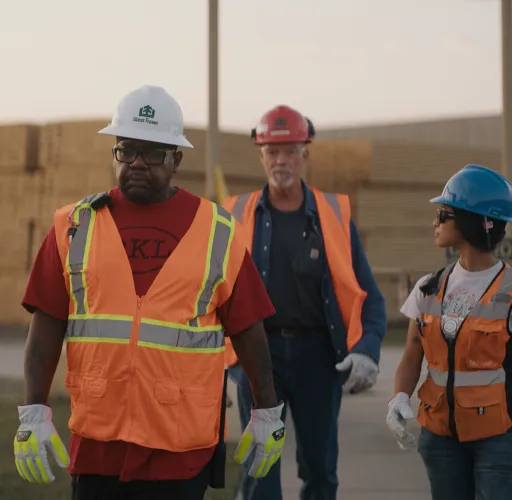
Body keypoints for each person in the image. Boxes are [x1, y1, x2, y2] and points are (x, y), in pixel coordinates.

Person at [13, 85, 286, 500]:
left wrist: (266, 411)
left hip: (179, 449)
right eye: (127, 149)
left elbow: (249, 331)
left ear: (177, 159)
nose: (138, 163)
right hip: (98, 446)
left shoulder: (218, 231)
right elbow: (47, 325)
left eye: (154, 153)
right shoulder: (75, 226)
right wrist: (33, 410)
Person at [222, 105, 387, 500]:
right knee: (261, 467)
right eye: (273, 152)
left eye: (290, 151)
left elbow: (370, 297)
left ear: (305, 154)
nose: (281, 161)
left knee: (320, 469)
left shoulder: (332, 214)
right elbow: (210, 294)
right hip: (258, 356)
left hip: (318, 358)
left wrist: (366, 351)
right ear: (261, 155)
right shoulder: (234, 214)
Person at [386, 164, 512, 500]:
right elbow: (412, 358)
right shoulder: (428, 288)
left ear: (472, 221)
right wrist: (399, 398)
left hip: (498, 440)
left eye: (443, 214)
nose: (435, 223)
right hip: (440, 439)